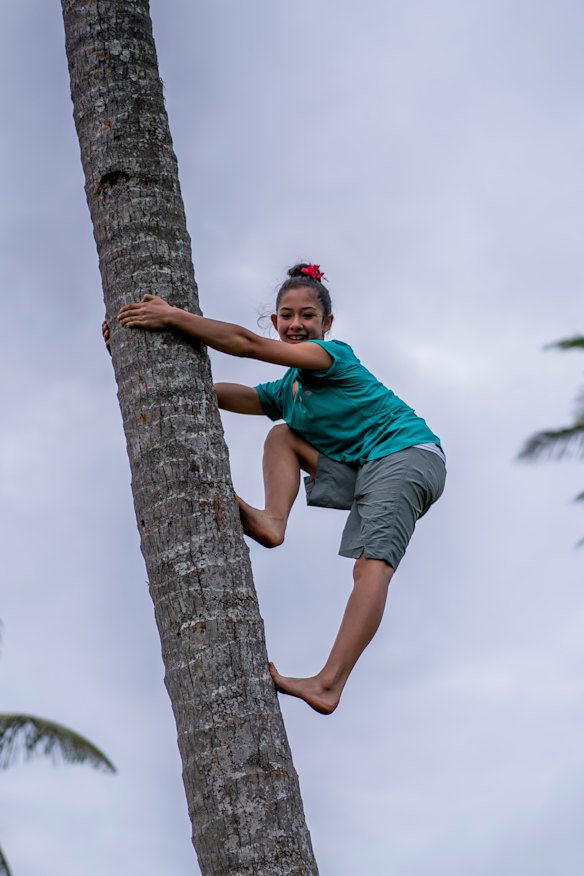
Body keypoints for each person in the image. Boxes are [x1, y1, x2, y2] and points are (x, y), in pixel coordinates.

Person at [113, 263, 446, 714]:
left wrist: (173, 316)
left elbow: (247, 345)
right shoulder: (289, 389)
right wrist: (153, 374)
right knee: (283, 435)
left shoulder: (331, 357)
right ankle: (272, 521)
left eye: (307, 316)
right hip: (366, 468)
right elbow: (236, 396)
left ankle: (328, 684)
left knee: (371, 568)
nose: (295, 325)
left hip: (407, 456)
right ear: (275, 320)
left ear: (327, 324)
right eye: (286, 316)